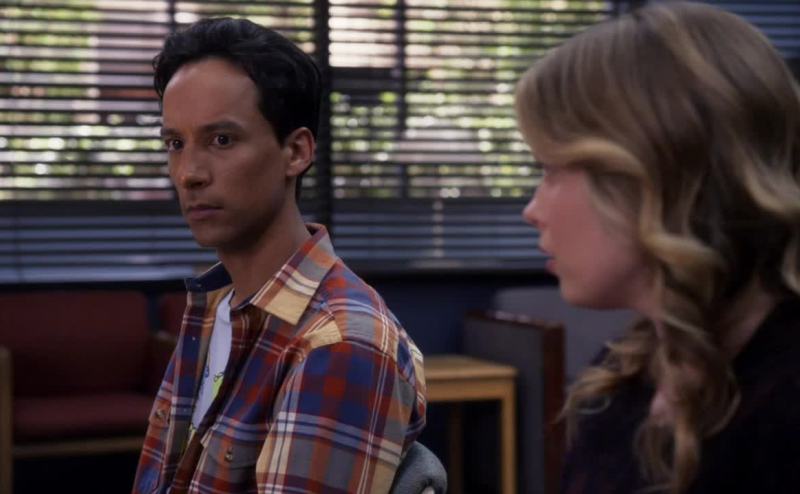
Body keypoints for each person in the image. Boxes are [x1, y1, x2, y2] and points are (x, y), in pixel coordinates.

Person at [515, 2, 800, 493]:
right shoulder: (622, 376)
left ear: (651, 175)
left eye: (553, 170)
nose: (532, 210)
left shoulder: (786, 400)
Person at [132, 18, 426, 494]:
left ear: (296, 152)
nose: (188, 173)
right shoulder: (216, 305)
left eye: (221, 140)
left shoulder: (339, 344)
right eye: (175, 144)